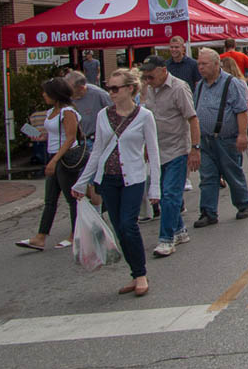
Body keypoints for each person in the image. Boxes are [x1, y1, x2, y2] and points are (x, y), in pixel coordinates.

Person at [69, 69, 159, 296]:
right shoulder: (103, 115)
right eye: (109, 88)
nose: (111, 93)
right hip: (107, 178)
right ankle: (134, 272)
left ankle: (141, 274)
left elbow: (154, 153)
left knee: (129, 225)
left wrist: (155, 187)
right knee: (119, 228)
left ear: (130, 89)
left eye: (115, 88)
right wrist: (82, 183)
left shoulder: (144, 116)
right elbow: (97, 151)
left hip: (133, 178)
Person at [139, 56, 200, 259]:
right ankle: (180, 231)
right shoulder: (149, 88)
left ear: (163, 70)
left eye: (151, 75)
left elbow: (192, 119)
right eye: (145, 76)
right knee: (167, 194)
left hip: (177, 150)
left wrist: (194, 149)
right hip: (158, 150)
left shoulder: (178, 88)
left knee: (169, 196)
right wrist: (147, 146)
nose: (147, 79)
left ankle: (166, 239)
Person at [15, 78, 83, 252]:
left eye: (46, 92)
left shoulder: (67, 112)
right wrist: (33, 133)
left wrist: (54, 160)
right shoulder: (51, 112)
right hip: (53, 155)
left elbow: (70, 138)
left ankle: (75, 234)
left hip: (65, 158)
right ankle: (40, 237)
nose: (43, 94)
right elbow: (48, 135)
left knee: (71, 198)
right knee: (50, 200)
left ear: (55, 93)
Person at [192, 48, 248, 226]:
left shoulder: (231, 83)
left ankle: (243, 204)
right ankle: (208, 212)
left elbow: (241, 110)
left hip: (226, 139)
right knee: (208, 176)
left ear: (217, 64)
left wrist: (242, 134)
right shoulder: (200, 85)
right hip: (206, 139)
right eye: (199, 64)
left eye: (204, 64)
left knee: (232, 172)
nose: (200, 67)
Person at [65, 71, 111, 146]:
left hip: (96, 140)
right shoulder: (68, 98)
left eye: (70, 89)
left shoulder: (98, 94)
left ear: (81, 88)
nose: (67, 92)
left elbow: (115, 111)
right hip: (79, 141)